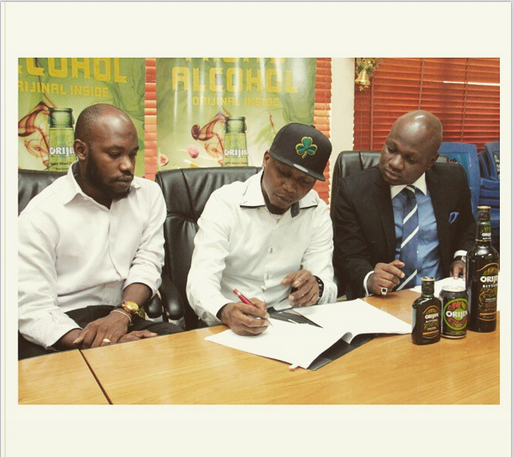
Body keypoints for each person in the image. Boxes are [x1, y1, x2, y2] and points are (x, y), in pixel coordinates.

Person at [18, 104, 181, 360]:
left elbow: (147, 262)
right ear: (81, 150)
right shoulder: (40, 216)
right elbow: (32, 308)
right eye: (114, 154)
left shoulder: (148, 195)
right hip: (62, 327)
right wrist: (101, 343)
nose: (127, 166)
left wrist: (123, 313)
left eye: (133, 154)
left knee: (177, 347)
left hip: (122, 314)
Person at [186, 123, 337, 336]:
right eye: (283, 173)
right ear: (266, 160)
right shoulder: (226, 203)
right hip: (227, 322)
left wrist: (316, 287)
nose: (290, 187)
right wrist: (225, 310)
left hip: (290, 322)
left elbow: (327, 283)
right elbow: (200, 280)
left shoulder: (317, 212)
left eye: (304, 181)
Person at [333, 110, 476, 299]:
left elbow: (466, 228)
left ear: (431, 161)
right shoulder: (353, 191)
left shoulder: (453, 179)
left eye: (411, 159)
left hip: (439, 296)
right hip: (382, 300)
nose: (395, 163)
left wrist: (461, 257)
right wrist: (370, 278)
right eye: (391, 149)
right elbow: (348, 256)